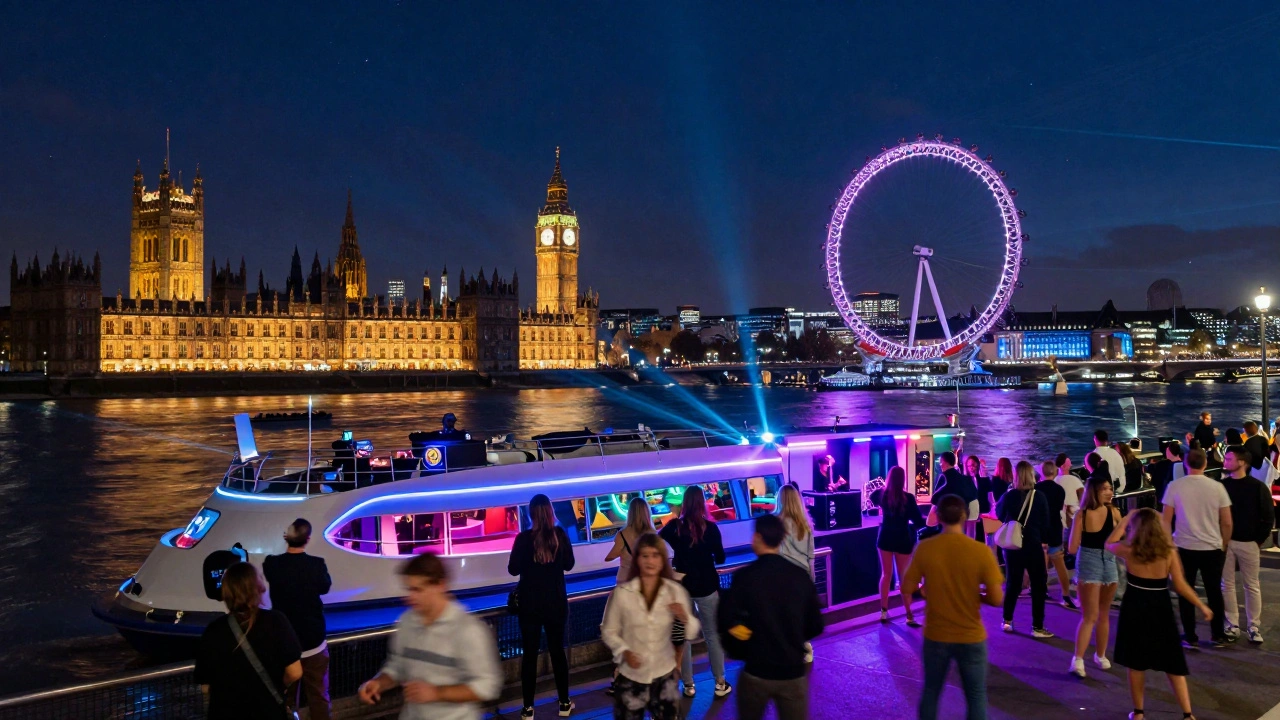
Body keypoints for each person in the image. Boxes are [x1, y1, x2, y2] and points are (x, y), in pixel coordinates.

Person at [358, 554, 501, 720]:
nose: (410, 597)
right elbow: (398, 666)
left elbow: (487, 686)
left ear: (440, 585)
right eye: (408, 589)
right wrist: (379, 683)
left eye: (418, 590)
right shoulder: (407, 622)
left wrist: (437, 693)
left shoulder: (468, 629)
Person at [902, 494, 1004, 720]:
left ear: (938, 517)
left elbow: (907, 587)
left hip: (936, 634)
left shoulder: (926, 548)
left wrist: (927, 589)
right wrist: (976, 595)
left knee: (931, 691)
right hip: (971, 635)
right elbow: (997, 599)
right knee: (976, 695)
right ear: (964, 516)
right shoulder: (980, 551)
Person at [1107, 508, 1210, 720]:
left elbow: (1109, 543)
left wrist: (1125, 520)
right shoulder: (1168, 552)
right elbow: (1180, 585)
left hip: (1135, 604)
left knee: (1136, 662)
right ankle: (1187, 714)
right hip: (1160, 605)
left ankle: (1138, 712)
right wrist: (1201, 605)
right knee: (1172, 661)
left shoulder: (1129, 550)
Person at [718, 514, 824, 720]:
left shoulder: (745, 577)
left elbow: (726, 620)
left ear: (758, 537)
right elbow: (816, 624)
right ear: (781, 538)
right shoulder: (799, 576)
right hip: (793, 672)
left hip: (756, 671)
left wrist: (743, 646)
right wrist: (795, 639)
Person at [601, 533, 697, 720]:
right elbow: (608, 630)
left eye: (655, 555)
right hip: (631, 677)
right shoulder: (623, 593)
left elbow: (692, 631)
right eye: (645, 555)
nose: (650, 561)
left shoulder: (675, 591)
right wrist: (624, 651)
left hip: (665, 676)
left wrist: (685, 617)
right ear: (637, 559)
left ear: (663, 559)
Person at [195, 562, 303, 720]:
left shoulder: (213, 630)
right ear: (258, 588)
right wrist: (279, 686)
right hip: (267, 711)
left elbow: (205, 686)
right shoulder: (276, 621)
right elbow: (295, 672)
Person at [659, 486, 731, 699]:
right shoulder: (711, 528)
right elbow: (721, 558)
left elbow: (656, 540)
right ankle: (720, 682)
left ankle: (689, 685)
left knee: (684, 637)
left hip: (682, 587)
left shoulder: (674, 527)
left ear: (684, 503)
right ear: (701, 503)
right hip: (707, 586)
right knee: (712, 635)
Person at [508, 494, 576, 718]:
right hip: (556, 604)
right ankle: (564, 703)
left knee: (529, 656)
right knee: (558, 653)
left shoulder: (522, 539)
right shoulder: (560, 536)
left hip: (530, 606)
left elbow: (512, 569)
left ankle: (528, 709)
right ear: (550, 512)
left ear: (530, 514)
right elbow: (569, 565)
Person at [1161, 449, 1233, 648]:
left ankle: (1190, 635)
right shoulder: (1217, 487)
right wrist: (1223, 544)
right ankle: (1217, 634)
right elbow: (1227, 522)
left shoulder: (1175, 486)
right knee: (1214, 591)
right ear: (1205, 464)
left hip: (1183, 546)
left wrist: (1168, 544)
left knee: (1185, 590)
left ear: (1185, 464)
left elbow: (1165, 520)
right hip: (1212, 546)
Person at [263, 519, 333, 720]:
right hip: (314, 642)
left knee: (285, 697)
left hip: (285, 643)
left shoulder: (272, 564)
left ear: (286, 537)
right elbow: (325, 587)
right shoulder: (317, 564)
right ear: (307, 539)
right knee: (318, 695)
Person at [1065, 472, 1121, 678]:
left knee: (1092, 615)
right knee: (1098, 614)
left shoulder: (1082, 514)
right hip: (1106, 561)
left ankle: (1083, 659)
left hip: (1092, 561)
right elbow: (1122, 536)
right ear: (1094, 492)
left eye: (1110, 488)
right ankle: (1095, 656)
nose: (1109, 491)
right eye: (1104, 489)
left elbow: (1072, 548)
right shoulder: (1114, 513)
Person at [1219, 446, 1274, 644]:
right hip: (1226, 542)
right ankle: (1232, 623)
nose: (1225, 462)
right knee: (1228, 584)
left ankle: (1253, 625)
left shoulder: (1257, 487)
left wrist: (1257, 540)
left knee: (1251, 584)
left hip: (1248, 542)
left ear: (1242, 462)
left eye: (1229, 459)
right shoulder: (1222, 486)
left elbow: (1268, 516)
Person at [995, 460, 1052, 638]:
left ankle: (1007, 621)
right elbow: (1046, 522)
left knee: (1013, 583)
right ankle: (1037, 626)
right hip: (1033, 544)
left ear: (1016, 476)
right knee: (1038, 584)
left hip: (1012, 544)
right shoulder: (1039, 496)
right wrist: (1043, 540)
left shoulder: (1008, 495)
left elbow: (999, 514)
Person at [869, 466, 923, 626]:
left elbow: (872, 497)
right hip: (902, 538)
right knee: (903, 577)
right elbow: (918, 521)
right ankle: (909, 615)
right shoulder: (908, 498)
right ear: (903, 479)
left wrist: (884, 488)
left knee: (886, 575)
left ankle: (883, 612)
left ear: (889, 478)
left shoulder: (882, 495)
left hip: (885, 536)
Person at [775, 484, 818, 661]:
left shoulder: (777, 524)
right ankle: (805, 648)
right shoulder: (806, 524)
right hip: (802, 575)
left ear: (781, 500)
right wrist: (812, 577)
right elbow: (811, 555)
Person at [1035, 462, 1074, 610]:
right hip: (1055, 527)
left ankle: (1042, 590)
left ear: (1042, 472)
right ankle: (1065, 595)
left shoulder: (1036, 489)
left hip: (1040, 529)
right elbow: (1060, 508)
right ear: (1055, 472)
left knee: (1041, 563)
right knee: (1060, 564)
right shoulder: (1060, 490)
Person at [928, 451, 979, 537]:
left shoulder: (944, 477)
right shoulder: (966, 480)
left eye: (941, 462)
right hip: (962, 522)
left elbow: (934, 499)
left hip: (946, 523)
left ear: (944, 462)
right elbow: (974, 496)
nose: (940, 464)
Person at [605, 497, 656, 583]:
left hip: (626, 578)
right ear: (647, 512)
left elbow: (610, 557)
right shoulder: (653, 534)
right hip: (646, 578)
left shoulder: (622, 534)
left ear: (630, 513)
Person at [963, 455, 994, 542]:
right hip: (970, 515)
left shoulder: (984, 480)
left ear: (978, 465)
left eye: (973, 465)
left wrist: (991, 510)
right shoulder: (965, 481)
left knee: (982, 538)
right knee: (970, 538)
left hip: (982, 513)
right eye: (969, 466)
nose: (971, 468)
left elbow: (990, 497)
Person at [1149, 442, 1186, 511]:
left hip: (1165, 499)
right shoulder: (1185, 464)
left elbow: (1154, 479)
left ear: (1168, 451)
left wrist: (1151, 465)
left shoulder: (1161, 465)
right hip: (1182, 500)